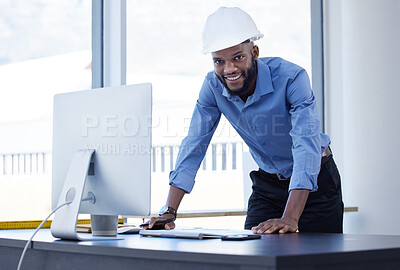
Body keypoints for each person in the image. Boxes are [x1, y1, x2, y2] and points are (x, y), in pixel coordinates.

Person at [143, 6, 343, 234]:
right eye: (219, 61)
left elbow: (305, 145)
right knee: (253, 257)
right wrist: (169, 210)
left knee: (318, 261)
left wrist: (289, 217)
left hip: (316, 185)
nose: (229, 69)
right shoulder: (212, 86)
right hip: (268, 186)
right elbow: (194, 145)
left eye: (238, 57)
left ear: (255, 53)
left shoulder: (292, 78)